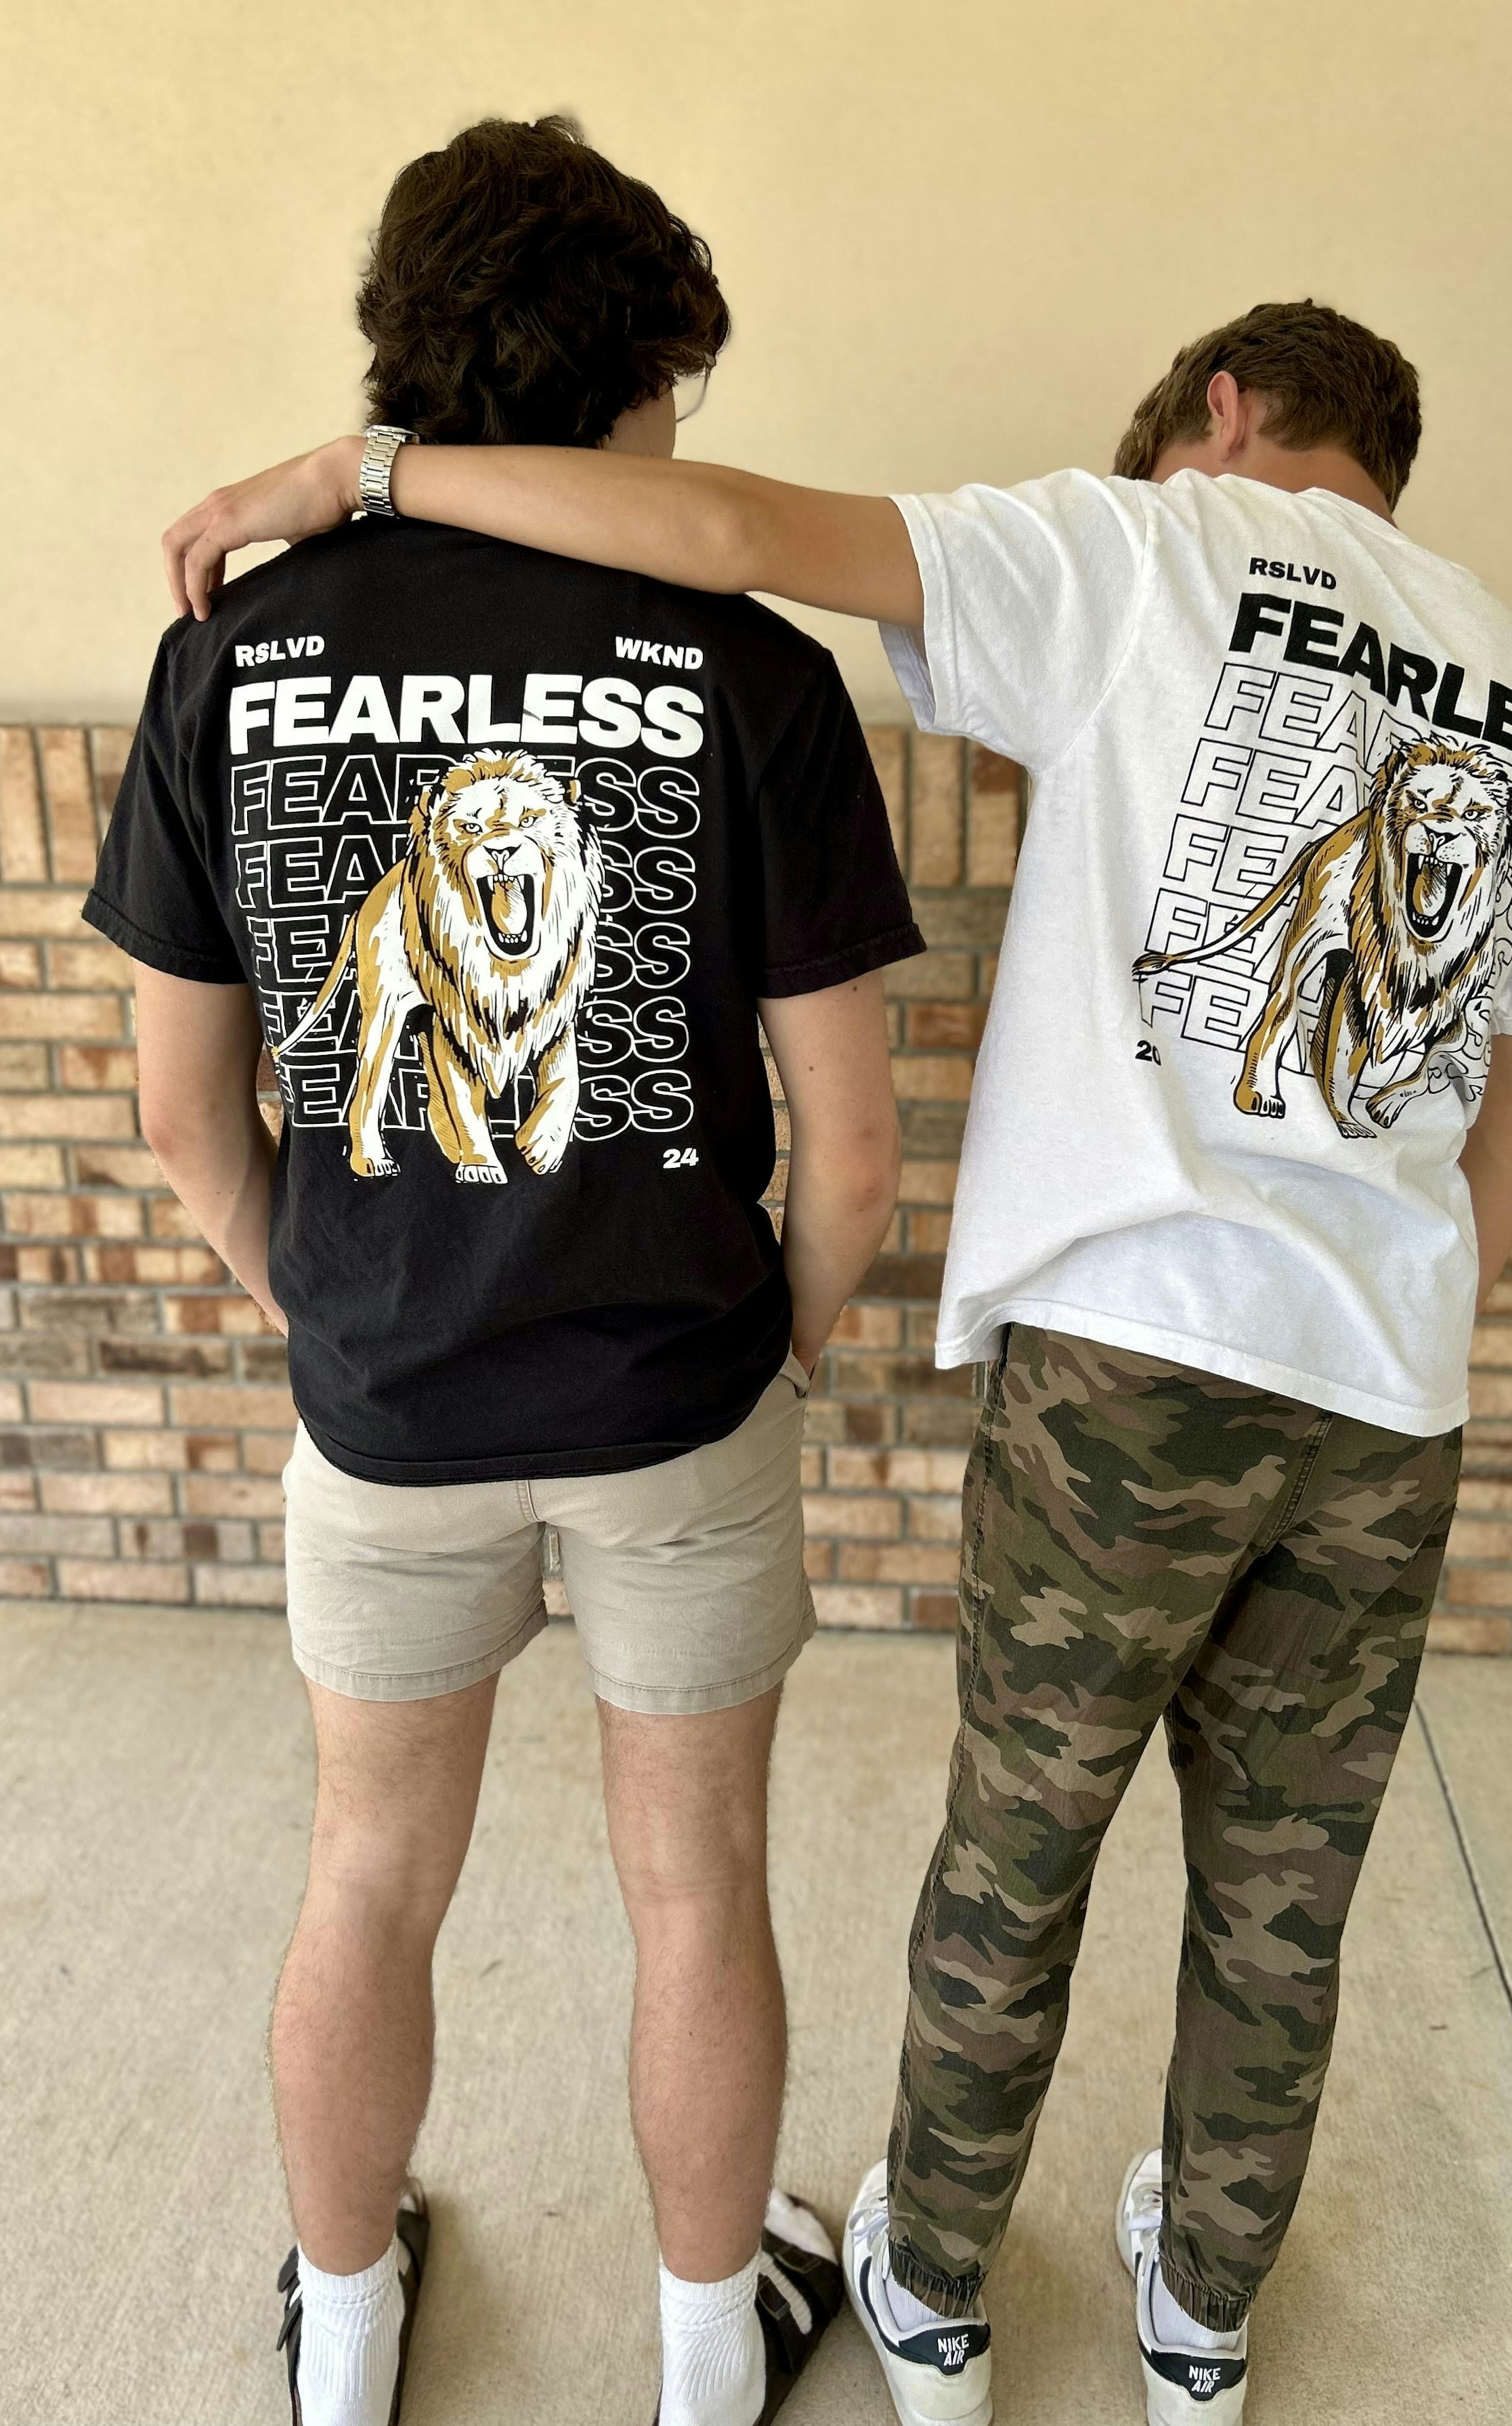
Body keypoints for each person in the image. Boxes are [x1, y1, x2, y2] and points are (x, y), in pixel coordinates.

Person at [166, 297, 1512, 2426]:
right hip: (1386, 1395)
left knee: (1014, 1852)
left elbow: (738, 522)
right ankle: (1198, 2335)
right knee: (1283, 1900)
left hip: (1125, 1360)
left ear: (1218, 413)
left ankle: (930, 2313)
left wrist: (363, 479)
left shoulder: (1159, 547)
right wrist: (1394, 1303)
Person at [100, 115, 925, 2426]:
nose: (689, 432)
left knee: (369, 1870)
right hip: (675, 1398)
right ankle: (701, 2355)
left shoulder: (233, 653)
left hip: (388, 1410)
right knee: (698, 1888)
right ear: (625, 370)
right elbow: (849, 1136)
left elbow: (182, 1110)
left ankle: (345, 2333)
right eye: (678, 382)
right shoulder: (743, 666)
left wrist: (335, 1308)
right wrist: (781, 1347)